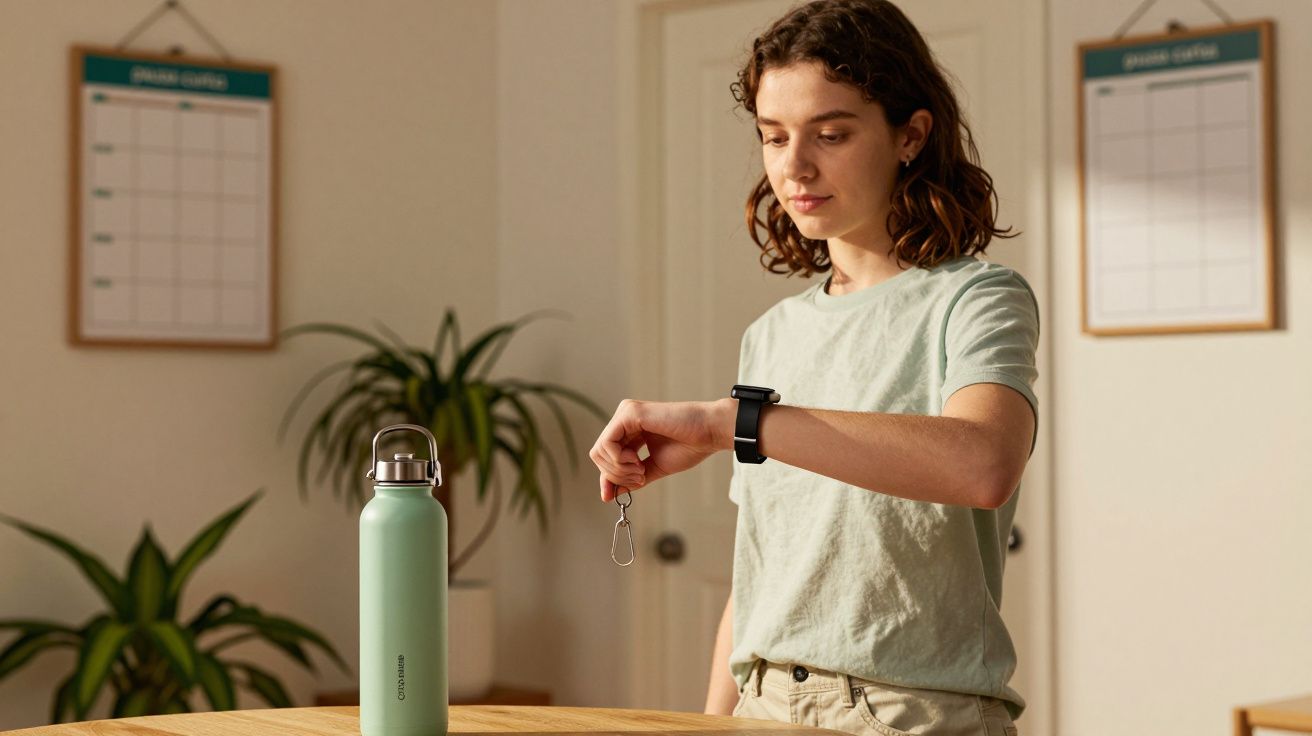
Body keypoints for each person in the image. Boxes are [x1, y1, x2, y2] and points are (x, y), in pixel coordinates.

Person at [588, 1, 1037, 734]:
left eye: (831, 134)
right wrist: (711, 721)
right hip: (763, 706)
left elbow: (983, 465)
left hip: (912, 715)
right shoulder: (772, 335)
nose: (794, 166)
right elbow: (765, 570)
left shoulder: (977, 299)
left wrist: (728, 422)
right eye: (773, 137)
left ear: (910, 135)